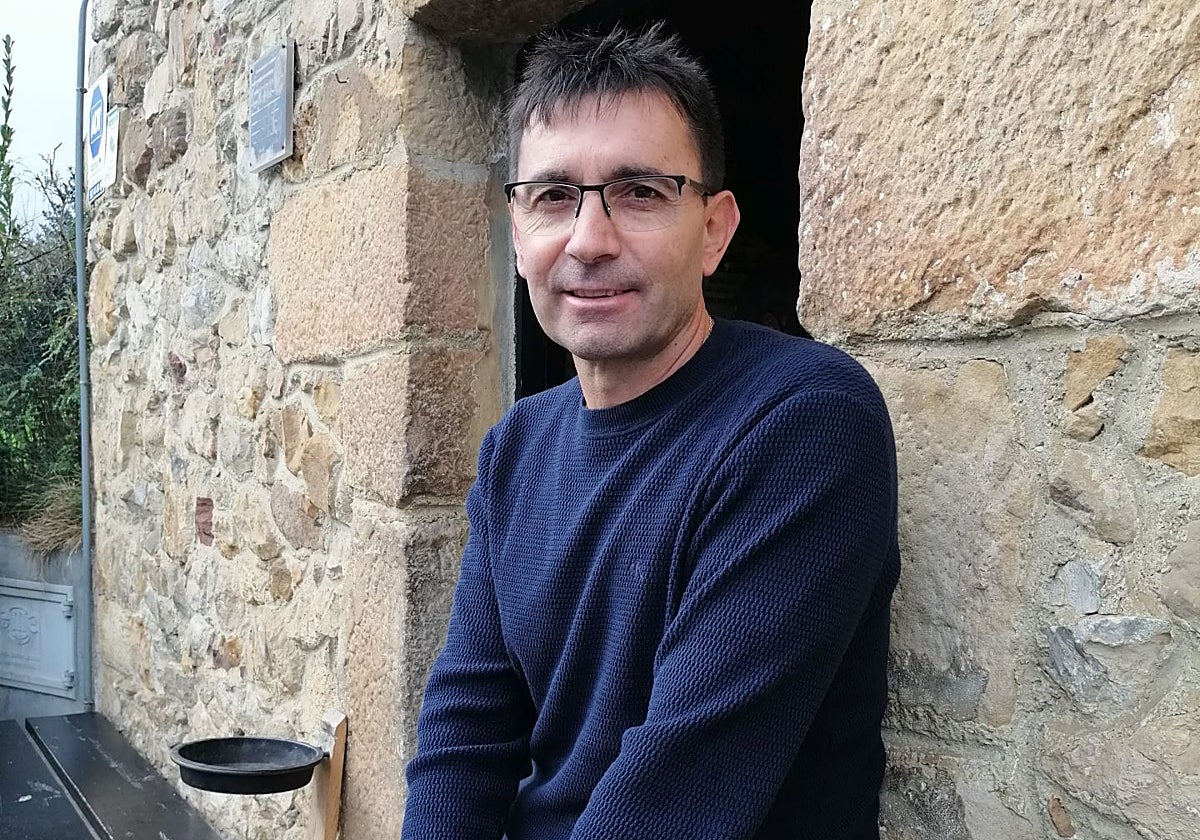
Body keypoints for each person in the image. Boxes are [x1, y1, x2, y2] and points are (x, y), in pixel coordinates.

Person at [401, 21, 900, 840]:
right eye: (553, 196)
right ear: (518, 230)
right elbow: (466, 731)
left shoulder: (804, 424)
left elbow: (675, 800)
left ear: (713, 230)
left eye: (640, 192)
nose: (590, 241)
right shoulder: (516, 448)